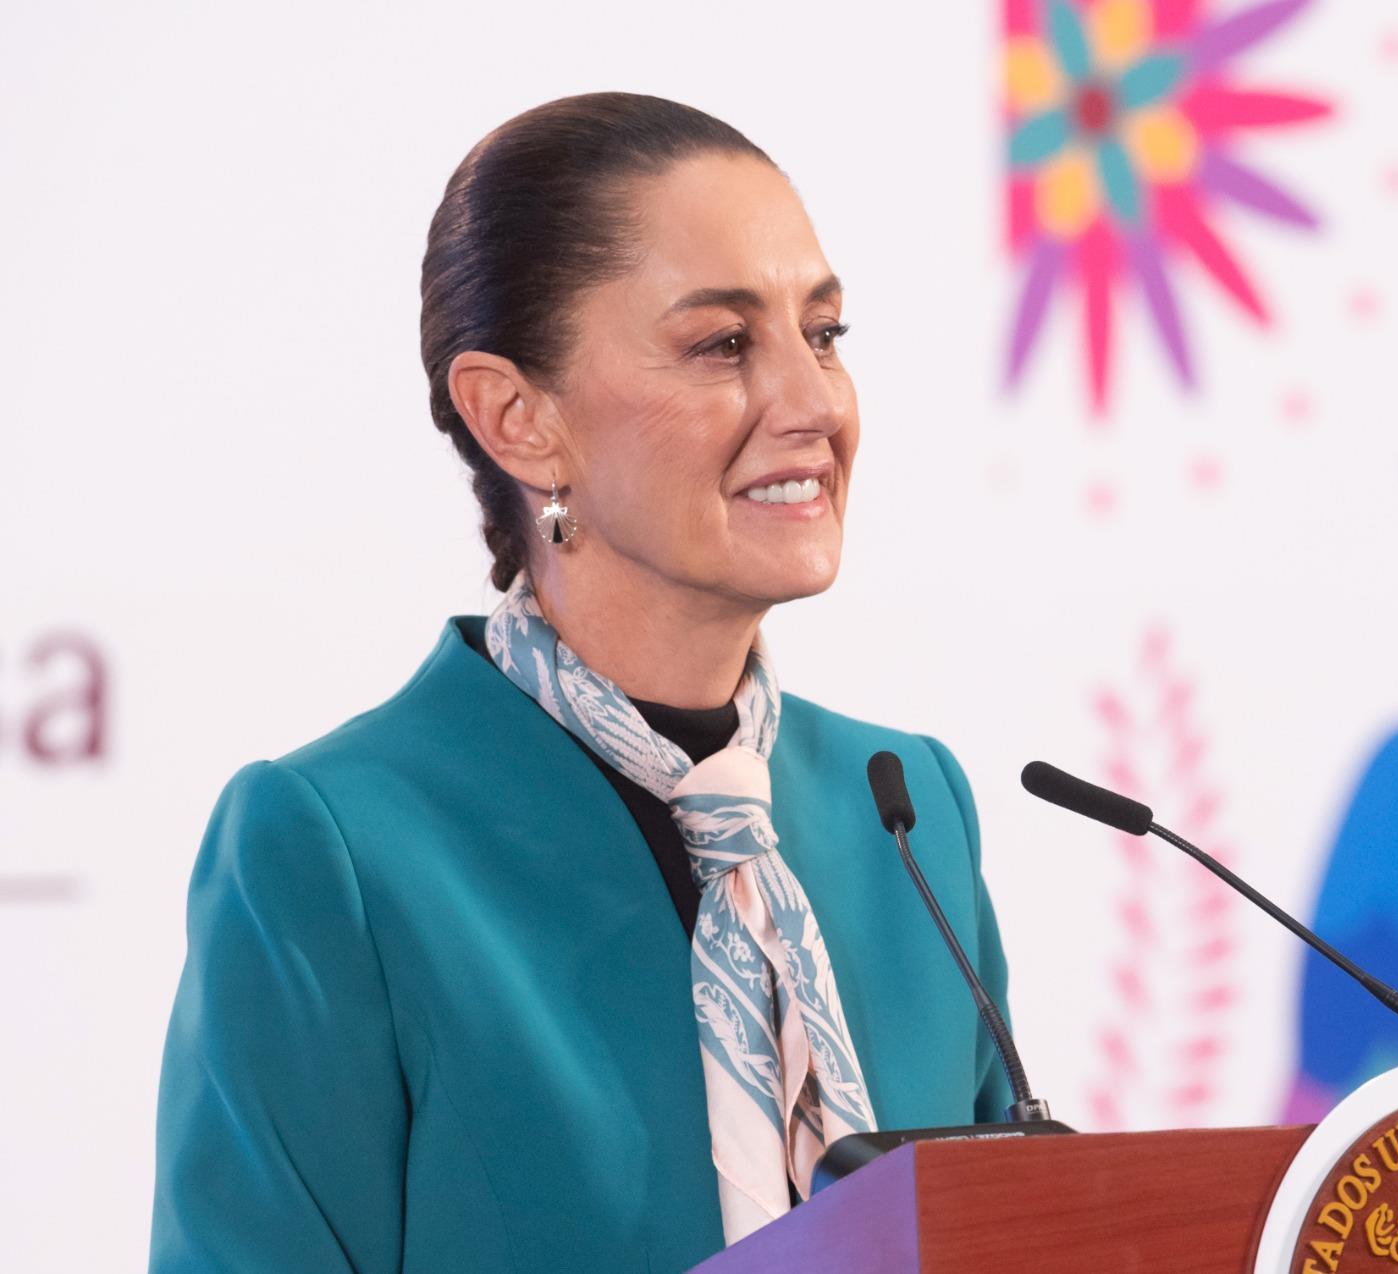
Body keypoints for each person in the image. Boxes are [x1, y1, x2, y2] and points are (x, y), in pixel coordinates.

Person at [149, 92, 1014, 1271]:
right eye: (722, 344)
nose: (816, 403)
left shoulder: (906, 807)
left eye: (823, 332)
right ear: (517, 418)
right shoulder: (332, 848)